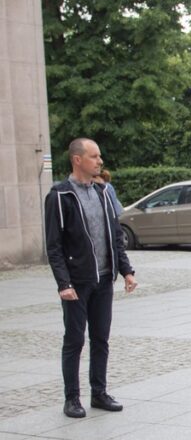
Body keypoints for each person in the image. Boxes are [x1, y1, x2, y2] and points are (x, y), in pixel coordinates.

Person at [44, 138, 137, 418]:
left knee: (101, 339)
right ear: (77, 160)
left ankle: (99, 393)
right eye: (94, 157)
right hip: (78, 281)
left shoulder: (103, 192)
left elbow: (115, 238)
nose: (100, 161)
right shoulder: (60, 196)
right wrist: (64, 283)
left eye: (100, 156)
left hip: (104, 278)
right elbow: (54, 246)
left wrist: (127, 271)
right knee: (74, 340)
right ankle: (72, 398)